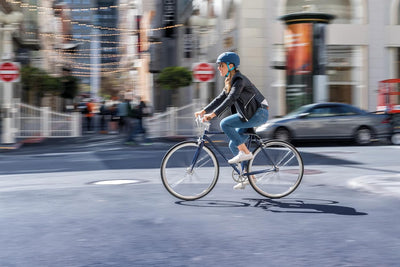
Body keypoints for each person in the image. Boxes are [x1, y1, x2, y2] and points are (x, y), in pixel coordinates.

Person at [195, 52, 269, 189]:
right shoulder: (230, 81)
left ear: (230, 66)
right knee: (233, 144)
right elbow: (220, 98)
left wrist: (214, 114)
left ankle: (246, 153)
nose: (218, 68)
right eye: (218, 65)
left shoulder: (239, 80)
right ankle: (249, 176)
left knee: (225, 123)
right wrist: (204, 111)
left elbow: (231, 99)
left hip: (259, 113)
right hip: (250, 114)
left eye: (221, 65)